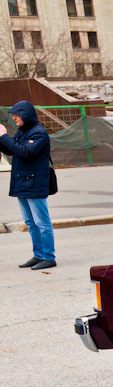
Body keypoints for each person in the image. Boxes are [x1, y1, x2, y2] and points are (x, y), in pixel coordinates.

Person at [0, 100, 55, 270]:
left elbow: (24, 151)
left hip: (34, 183)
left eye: (17, 115)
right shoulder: (23, 131)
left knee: (42, 223)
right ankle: (38, 255)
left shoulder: (38, 133)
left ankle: (48, 257)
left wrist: (3, 136)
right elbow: (12, 150)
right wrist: (1, 139)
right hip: (23, 183)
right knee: (31, 223)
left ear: (26, 115)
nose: (14, 118)